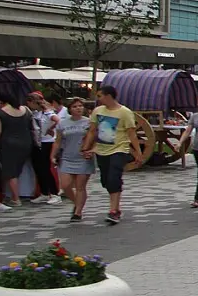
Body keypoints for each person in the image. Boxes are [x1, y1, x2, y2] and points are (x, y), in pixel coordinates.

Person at [82, 85, 144, 225]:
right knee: (105, 180)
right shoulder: (98, 111)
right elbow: (92, 131)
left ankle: (113, 210)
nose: (98, 99)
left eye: (100, 96)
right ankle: (115, 206)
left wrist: (138, 153)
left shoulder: (125, 112)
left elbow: (131, 133)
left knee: (113, 177)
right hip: (102, 149)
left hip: (119, 149)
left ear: (108, 96)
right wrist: (86, 147)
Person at [53, 97, 96, 222]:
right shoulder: (63, 123)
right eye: (75, 106)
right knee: (65, 185)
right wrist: (53, 155)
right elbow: (58, 141)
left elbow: (94, 138)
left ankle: (78, 212)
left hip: (83, 157)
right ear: (70, 109)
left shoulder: (89, 122)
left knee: (80, 186)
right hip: (67, 157)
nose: (78, 108)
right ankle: (76, 202)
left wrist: (91, 150)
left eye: (80, 106)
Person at [0, 93, 34, 207]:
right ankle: (12, 195)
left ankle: (15, 198)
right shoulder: (25, 110)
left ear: (1, 102)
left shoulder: (0, 113)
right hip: (26, 142)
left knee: (11, 172)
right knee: (18, 170)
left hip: (8, 144)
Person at [27, 92, 61, 204]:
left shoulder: (48, 113)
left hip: (47, 142)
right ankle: (44, 192)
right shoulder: (36, 113)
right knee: (39, 168)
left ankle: (55, 193)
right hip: (38, 142)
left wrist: (51, 128)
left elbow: (58, 120)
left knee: (46, 169)